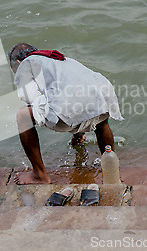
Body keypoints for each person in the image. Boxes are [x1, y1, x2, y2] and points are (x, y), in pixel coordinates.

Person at [9, 43, 124, 184]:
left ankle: (39, 174)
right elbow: (73, 90)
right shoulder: (58, 59)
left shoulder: (26, 64)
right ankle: (109, 165)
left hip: (78, 100)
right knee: (102, 123)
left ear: (18, 63)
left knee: (23, 116)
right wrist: (79, 132)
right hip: (103, 93)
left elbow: (32, 101)